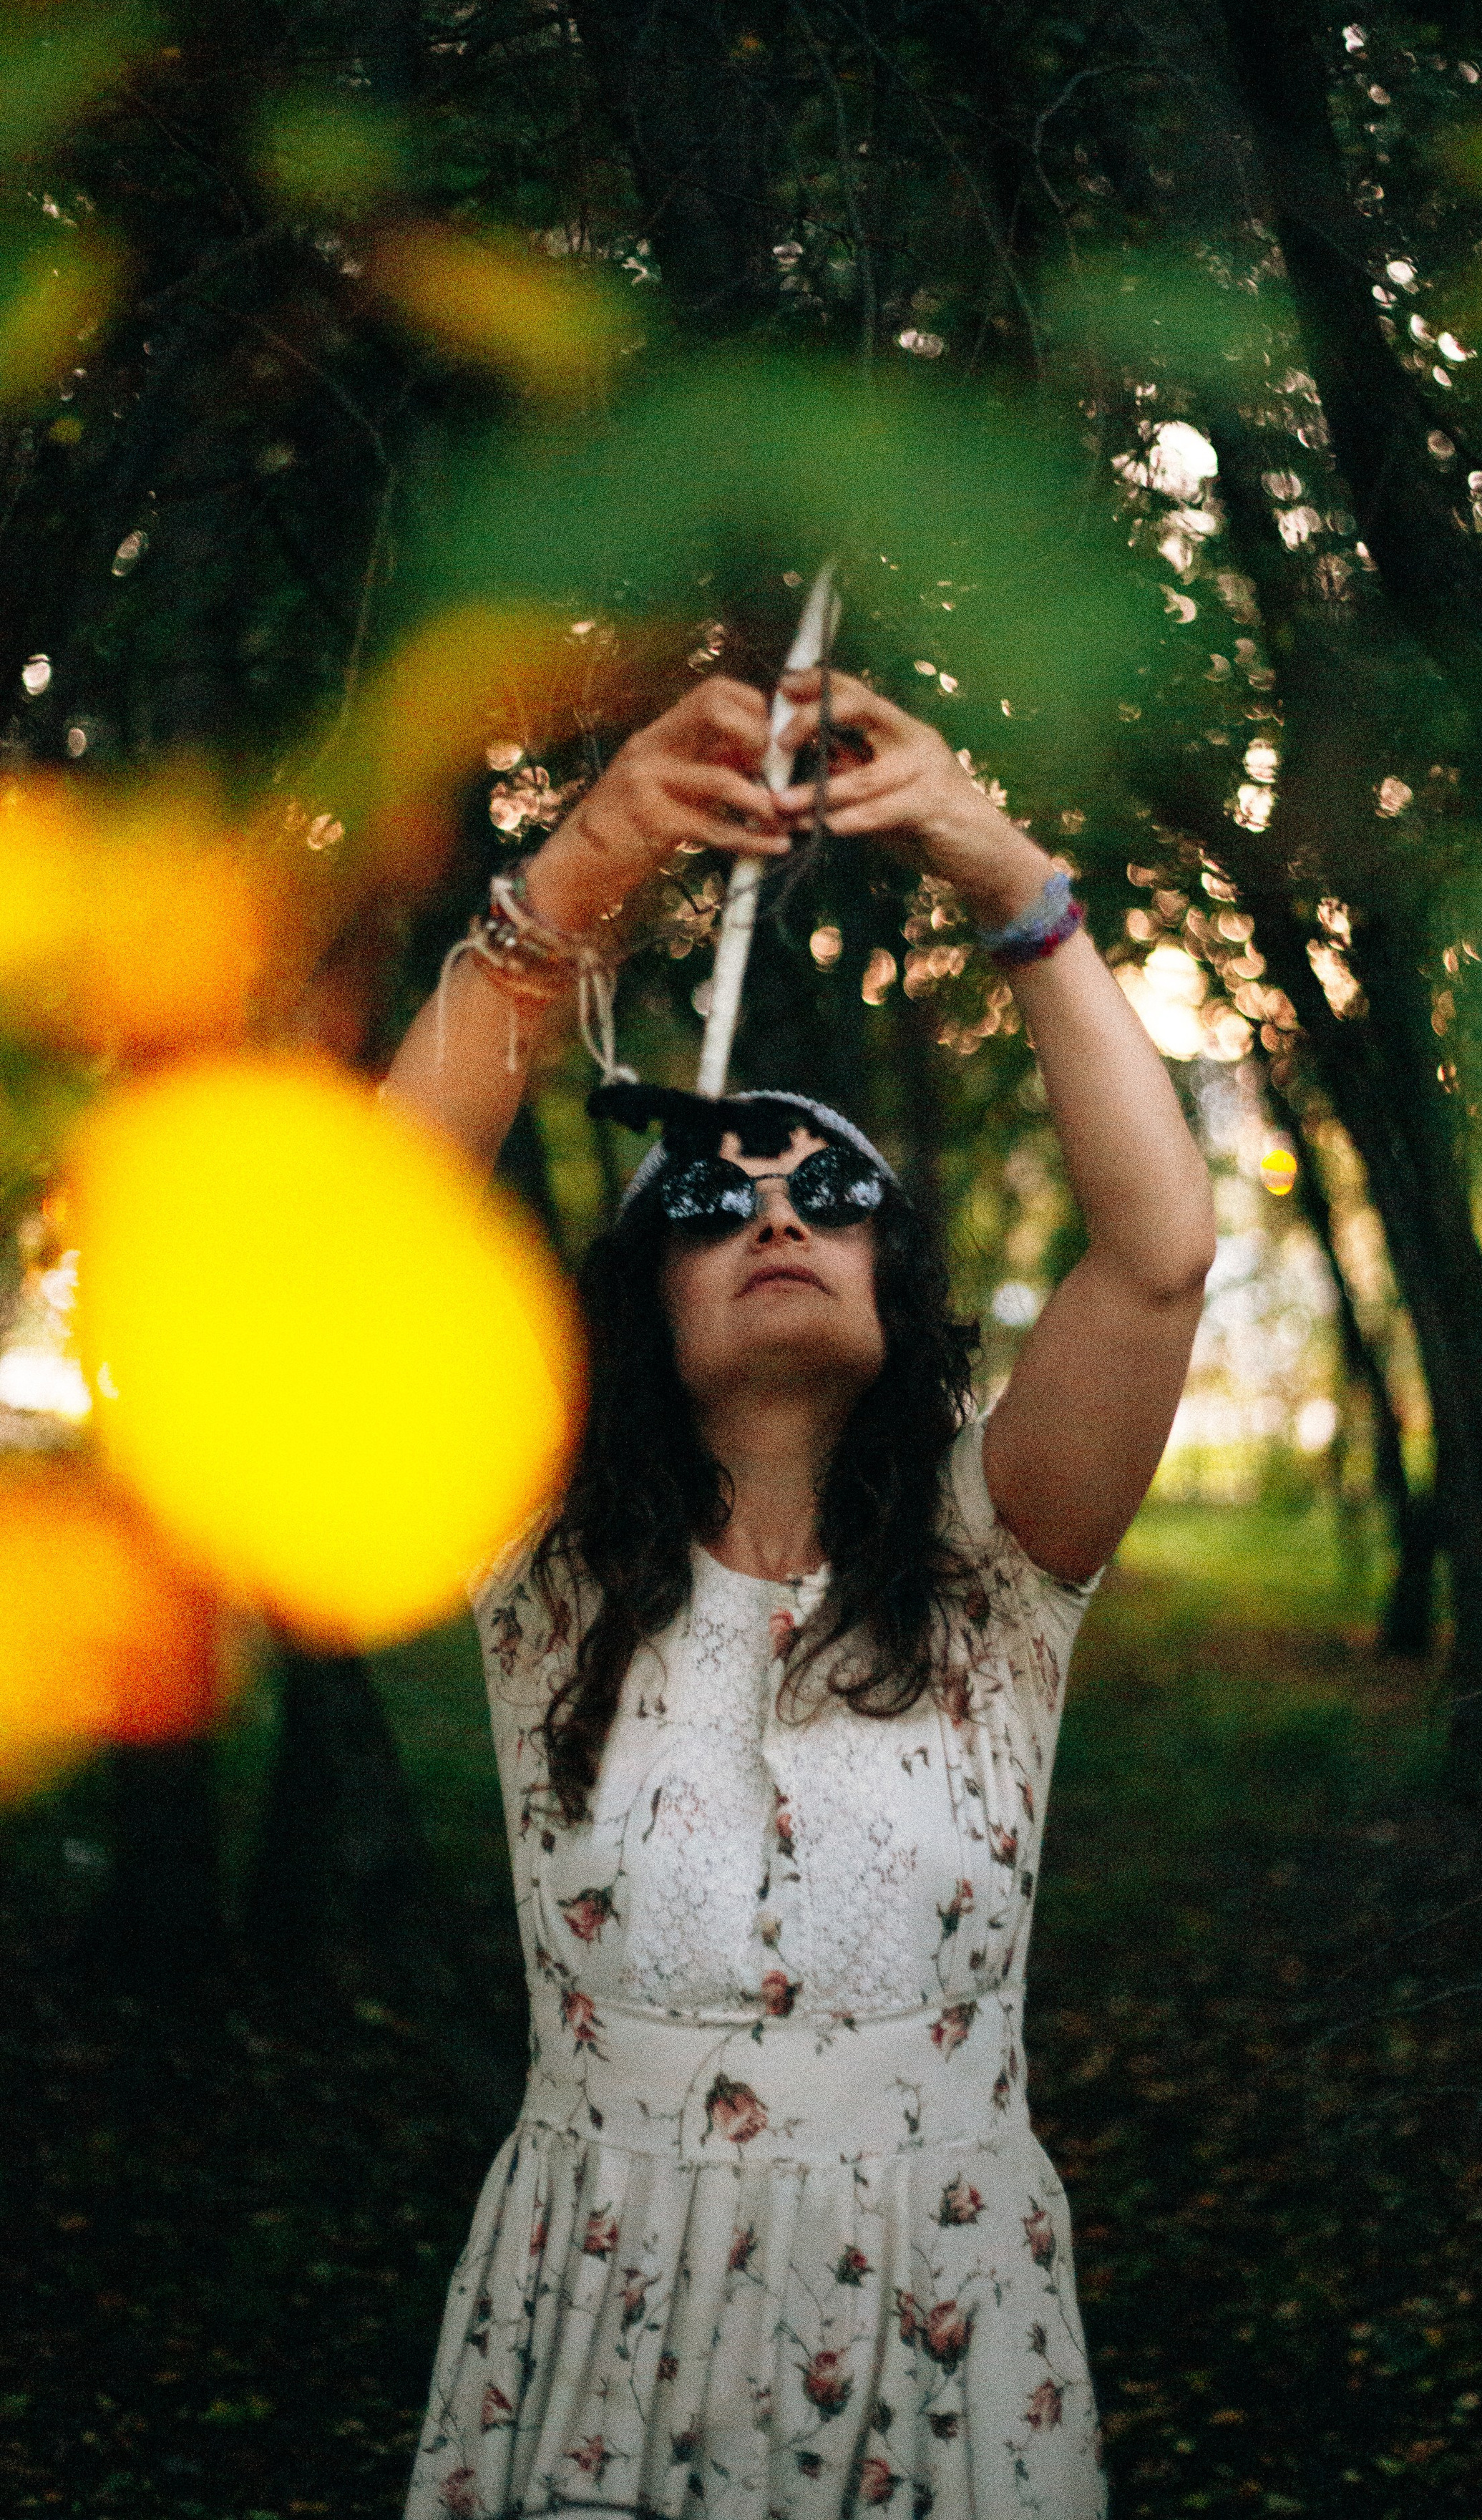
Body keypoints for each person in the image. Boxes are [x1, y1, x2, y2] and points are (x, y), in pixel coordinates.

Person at [386, 663, 1215, 2520]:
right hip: (596, 2329)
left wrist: (997, 864)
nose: (768, 1210)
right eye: (710, 1197)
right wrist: (580, 874)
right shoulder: (546, 1572)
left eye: (824, 1188)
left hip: (940, 2332)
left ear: (893, 1284)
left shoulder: (1006, 1560)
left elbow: (1157, 1250)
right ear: (644, 1308)